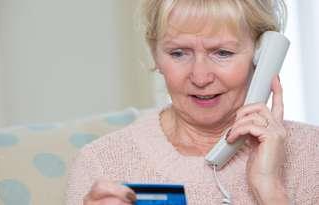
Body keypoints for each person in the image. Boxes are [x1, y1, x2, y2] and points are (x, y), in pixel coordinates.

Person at [66, 0, 319, 204]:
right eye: (178, 53)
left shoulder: (312, 153)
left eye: (222, 53)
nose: (200, 77)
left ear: (263, 56)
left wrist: (270, 190)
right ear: (155, 55)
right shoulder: (100, 164)